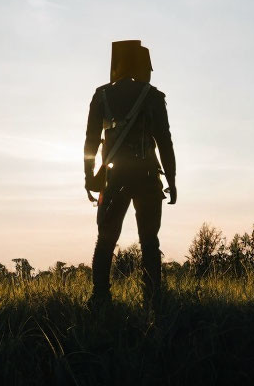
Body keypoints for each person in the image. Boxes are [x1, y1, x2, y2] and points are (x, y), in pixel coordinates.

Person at [83, 40, 177, 308]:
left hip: (114, 178)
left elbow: (90, 141)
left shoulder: (101, 96)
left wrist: (89, 176)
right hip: (147, 177)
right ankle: (152, 300)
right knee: (149, 241)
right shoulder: (154, 97)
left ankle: (100, 297)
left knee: (105, 240)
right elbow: (165, 142)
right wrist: (171, 180)